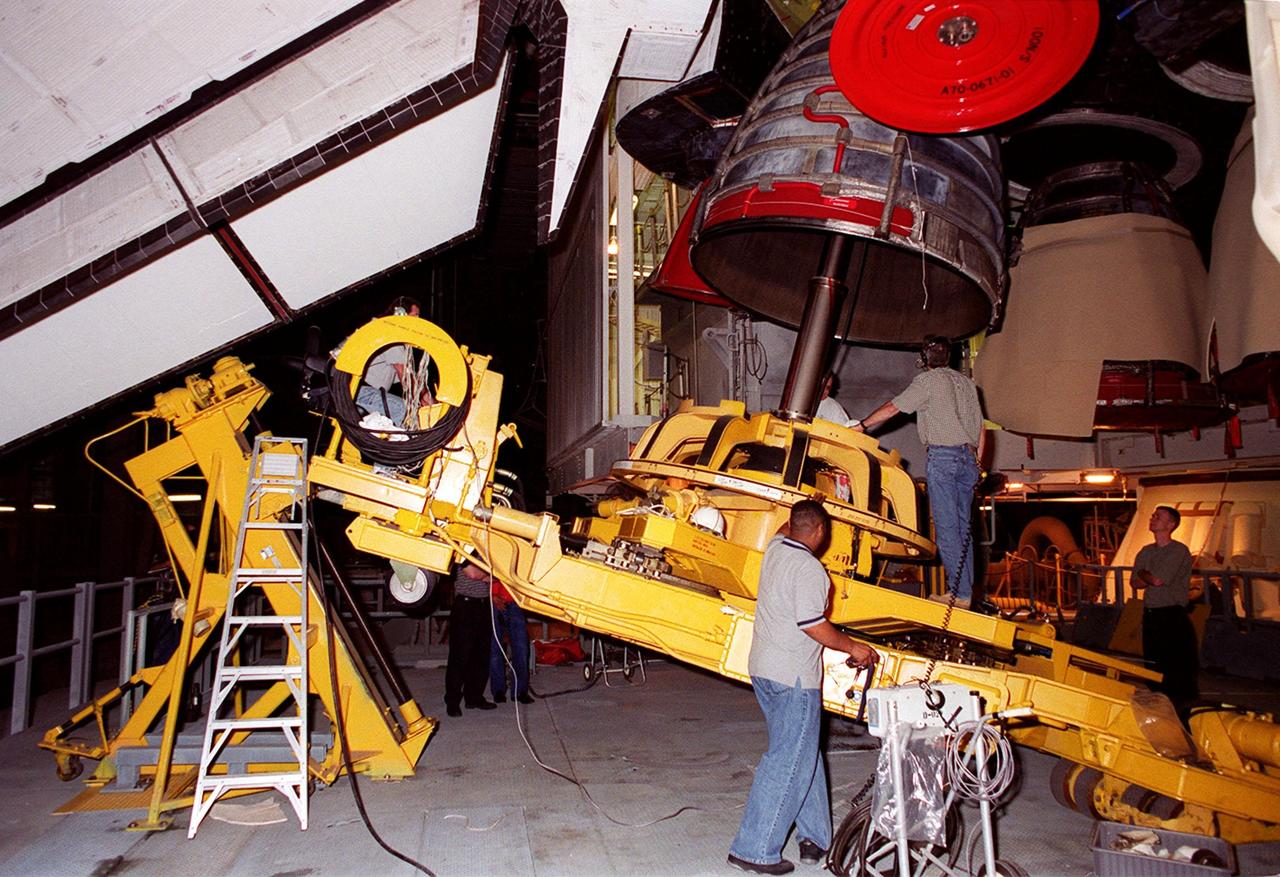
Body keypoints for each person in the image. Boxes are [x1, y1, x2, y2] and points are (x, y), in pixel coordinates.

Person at [728, 501, 879, 875]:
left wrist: (810, 504)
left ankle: (814, 837)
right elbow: (814, 625)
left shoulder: (776, 551)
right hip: (793, 678)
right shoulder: (812, 571)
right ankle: (754, 848)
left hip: (763, 670)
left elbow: (783, 527)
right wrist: (854, 647)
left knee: (802, 752)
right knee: (787, 761)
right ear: (821, 532)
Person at [854, 336, 985, 608]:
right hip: (968, 459)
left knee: (948, 527)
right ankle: (966, 591)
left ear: (924, 359)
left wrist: (863, 426)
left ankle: (958, 594)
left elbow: (893, 408)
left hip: (944, 458)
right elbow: (983, 429)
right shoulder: (968, 385)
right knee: (964, 530)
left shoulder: (927, 382)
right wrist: (977, 464)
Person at [1132, 505, 1199, 721]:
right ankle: (1159, 712)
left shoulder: (1178, 551)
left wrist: (1144, 573)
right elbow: (1136, 583)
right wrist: (1146, 576)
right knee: (1153, 666)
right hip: (1151, 615)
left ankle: (1182, 715)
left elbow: (1158, 580)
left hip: (1172, 616)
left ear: (1170, 525)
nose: (1152, 519)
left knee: (1177, 671)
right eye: (1153, 515)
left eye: (1158, 517)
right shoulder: (1145, 551)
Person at [355, 296, 426, 425]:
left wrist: (427, 400)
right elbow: (405, 377)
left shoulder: (388, 335)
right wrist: (426, 403)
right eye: (415, 315)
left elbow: (410, 378)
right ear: (401, 313)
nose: (418, 321)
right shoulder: (390, 336)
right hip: (361, 392)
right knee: (403, 410)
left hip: (366, 392)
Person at [444, 562, 497, 717]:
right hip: (465, 605)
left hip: (484, 604)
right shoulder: (465, 549)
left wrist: (489, 574)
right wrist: (489, 574)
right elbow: (473, 573)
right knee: (460, 656)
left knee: (481, 655)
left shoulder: (485, 549)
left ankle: (474, 697)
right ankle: (452, 700)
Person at [490, 576, 534, 705]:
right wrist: (492, 595)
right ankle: (498, 690)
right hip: (493, 602)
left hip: (516, 601)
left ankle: (520, 691)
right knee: (495, 649)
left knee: (521, 648)